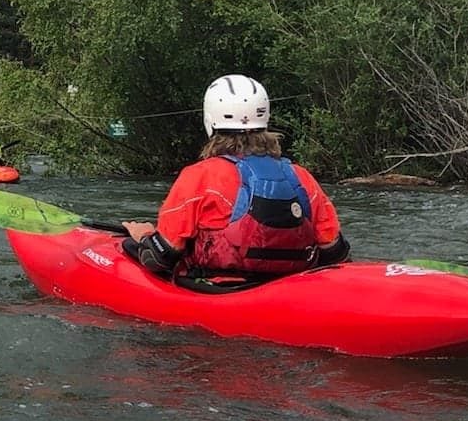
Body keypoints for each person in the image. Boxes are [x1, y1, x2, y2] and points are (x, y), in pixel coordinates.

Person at [120, 75, 349, 284]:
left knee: (135, 248)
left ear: (210, 120)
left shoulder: (200, 176)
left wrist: (144, 237)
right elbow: (335, 253)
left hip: (221, 291)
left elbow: (159, 258)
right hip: (289, 288)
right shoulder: (301, 177)